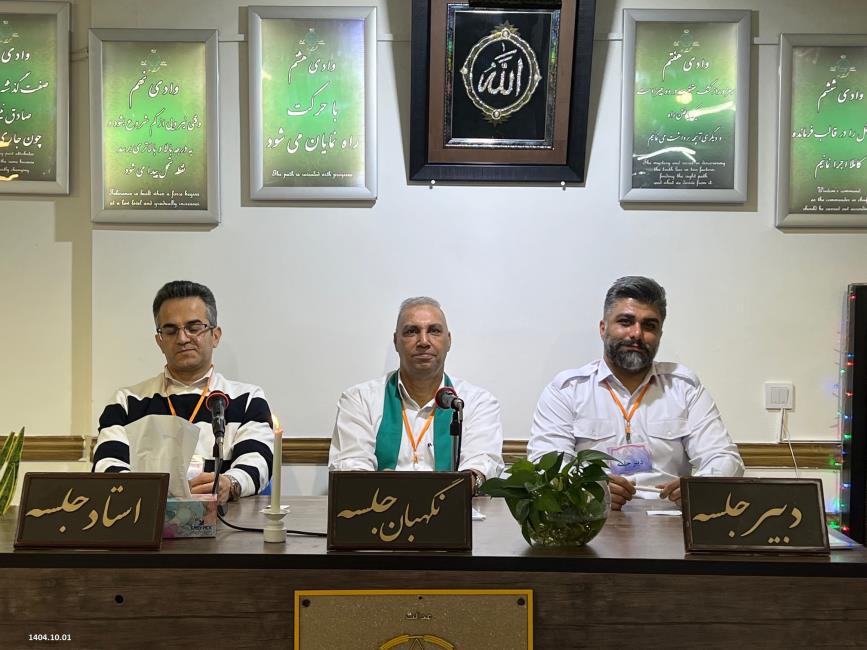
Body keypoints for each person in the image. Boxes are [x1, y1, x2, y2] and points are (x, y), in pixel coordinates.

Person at [527, 276, 743, 510]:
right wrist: (589, 491)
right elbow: (544, 464)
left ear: (660, 334)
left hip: (668, 519)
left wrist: (698, 488)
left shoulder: (684, 388)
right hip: (591, 519)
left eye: (649, 325)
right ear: (603, 328)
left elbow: (725, 458)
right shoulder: (567, 391)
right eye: (625, 322)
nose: (637, 334)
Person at [92, 281, 274, 505]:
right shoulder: (127, 402)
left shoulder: (247, 399)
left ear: (215, 335)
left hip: (226, 518)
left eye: (194, 327)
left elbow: (258, 461)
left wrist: (230, 483)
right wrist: (153, 495)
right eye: (171, 330)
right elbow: (107, 465)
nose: (182, 338)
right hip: (149, 517)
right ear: (159, 341)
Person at [329, 297, 504, 492]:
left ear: (448, 340)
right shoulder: (359, 400)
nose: (423, 341)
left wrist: (467, 482)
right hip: (381, 508)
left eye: (434, 331)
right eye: (411, 331)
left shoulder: (477, 402)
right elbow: (352, 470)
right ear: (396, 341)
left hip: (451, 507)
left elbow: (481, 465)